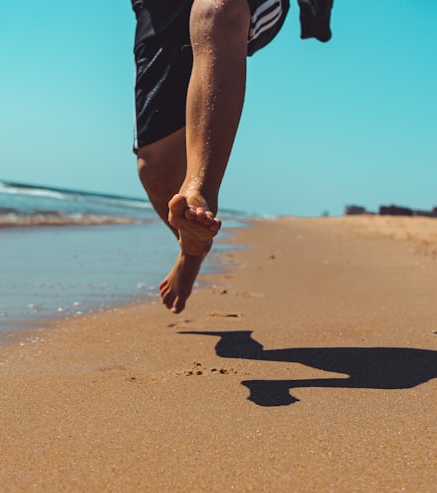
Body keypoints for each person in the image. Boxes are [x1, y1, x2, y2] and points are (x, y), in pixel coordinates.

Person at [131, 0, 332, 313]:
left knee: (218, 9)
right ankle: (193, 248)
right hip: (161, 11)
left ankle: (200, 192)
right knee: (156, 169)